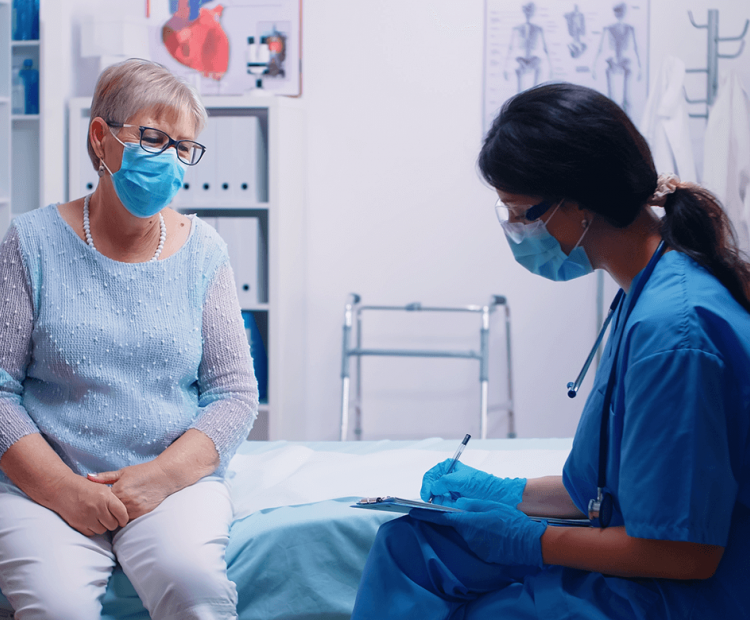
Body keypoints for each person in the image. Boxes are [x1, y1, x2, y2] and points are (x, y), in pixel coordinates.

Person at [351, 83, 750, 619]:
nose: (517, 232)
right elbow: (608, 487)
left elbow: (684, 553)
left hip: (682, 593)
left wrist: (528, 540)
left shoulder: (674, 333)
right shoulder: (644, 291)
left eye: (520, 213)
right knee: (411, 546)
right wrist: (504, 492)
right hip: (645, 555)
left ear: (579, 202)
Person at [0, 59, 258, 619]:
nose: (168, 159)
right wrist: (64, 490)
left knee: (195, 589)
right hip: (47, 489)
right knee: (55, 606)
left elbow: (234, 394)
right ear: (102, 137)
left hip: (172, 485)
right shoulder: (31, 241)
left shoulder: (204, 251)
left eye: (183, 147)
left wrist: (158, 478)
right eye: (152, 137)